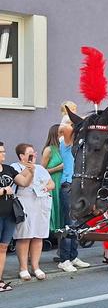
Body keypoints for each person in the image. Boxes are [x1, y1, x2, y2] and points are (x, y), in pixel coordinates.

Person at [11, 143, 54, 281]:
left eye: (34, 153)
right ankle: (23, 267)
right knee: (24, 236)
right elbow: (21, 182)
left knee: (38, 236)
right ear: (22, 156)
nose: (33, 155)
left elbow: (51, 183)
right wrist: (29, 170)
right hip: (25, 202)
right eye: (30, 153)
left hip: (40, 203)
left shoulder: (41, 168)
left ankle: (35, 266)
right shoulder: (14, 167)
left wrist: (47, 187)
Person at [0, 141, 35, 292]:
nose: (3, 154)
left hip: (9, 214)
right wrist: (3, 191)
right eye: (0, 152)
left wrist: (31, 171)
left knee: (3, 247)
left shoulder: (9, 169)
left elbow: (23, 182)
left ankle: (0, 280)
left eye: (3, 151)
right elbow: (7, 189)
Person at [57, 108, 90, 272]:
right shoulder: (66, 141)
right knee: (69, 223)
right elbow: (66, 128)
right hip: (68, 185)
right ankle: (64, 259)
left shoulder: (77, 142)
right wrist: (76, 119)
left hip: (77, 186)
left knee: (77, 223)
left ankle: (73, 256)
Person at [41, 124, 64, 234]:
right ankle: (52, 231)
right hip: (53, 182)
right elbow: (42, 171)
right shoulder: (49, 150)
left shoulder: (64, 148)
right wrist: (58, 168)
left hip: (63, 182)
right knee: (54, 205)